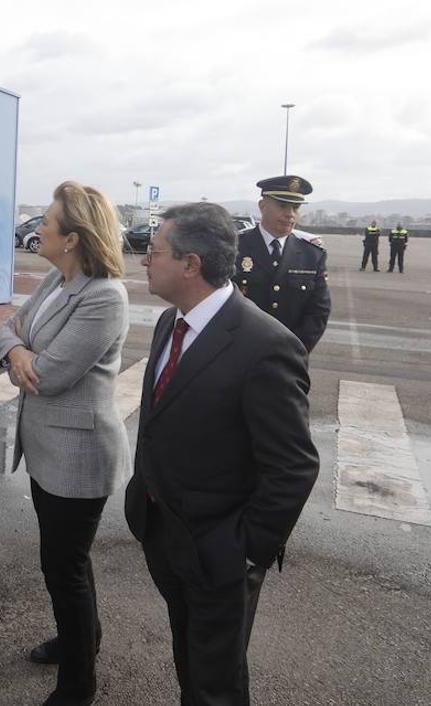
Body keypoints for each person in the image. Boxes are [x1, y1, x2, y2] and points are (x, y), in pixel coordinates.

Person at [125, 203, 319, 706]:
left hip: (221, 552)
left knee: (217, 683)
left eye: (155, 252)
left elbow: (294, 466)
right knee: (191, 662)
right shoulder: (172, 321)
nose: (145, 261)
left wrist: (245, 552)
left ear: (191, 264)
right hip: (166, 532)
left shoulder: (266, 345)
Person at [0, 181, 130, 706]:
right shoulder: (56, 279)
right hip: (49, 450)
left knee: (63, 566)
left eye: (47, 222)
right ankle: (84, 638)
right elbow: (9, 327)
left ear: (72, 237)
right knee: (66, 559)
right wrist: (17, 353)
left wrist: (25, 358)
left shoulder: (104, 296)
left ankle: (78, 685)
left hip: (80, 457)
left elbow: (49, 377)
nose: (38, 228)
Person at [235, 176, 331, 352]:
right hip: (238, 351)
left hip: (288, 357)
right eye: (282, 206)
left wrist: (293, 351)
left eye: (296, 207)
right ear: (262, 206)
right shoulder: (234, 249)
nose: (290, 214)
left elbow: (318, 311)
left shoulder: (312, 255)